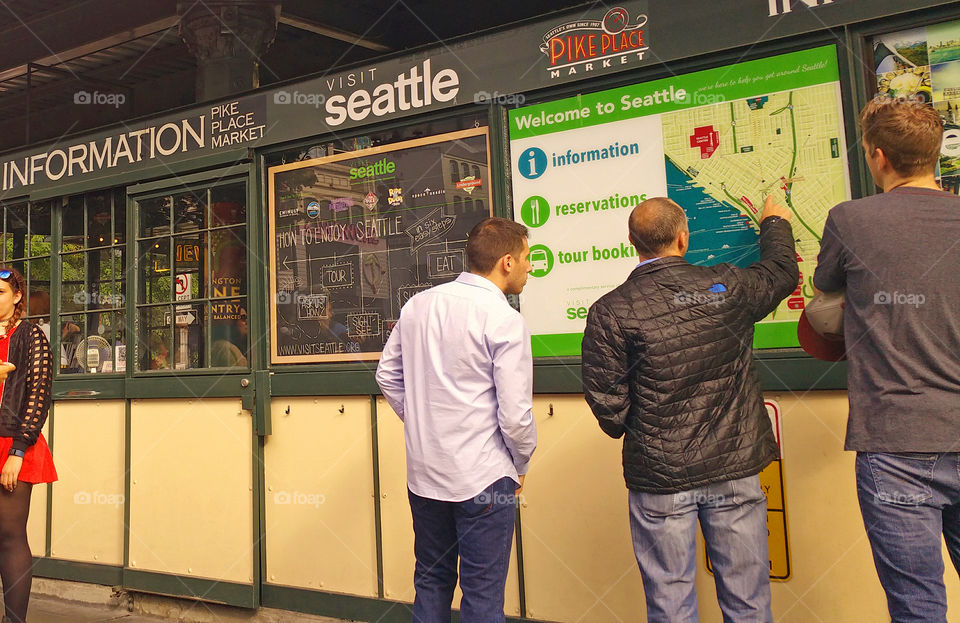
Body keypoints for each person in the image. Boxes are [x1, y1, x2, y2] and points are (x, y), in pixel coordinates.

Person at [581, 196, 797, 623]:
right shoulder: (727, 287)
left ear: (631, 243)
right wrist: (773, 222)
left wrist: (645, 429)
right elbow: (781, 273)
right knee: (748, 601)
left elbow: (607, 405)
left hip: (659, 479)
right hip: (734, 471)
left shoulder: (611, 310)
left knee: (669, 603)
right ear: (684, 238)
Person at [813, 96, 960, 623]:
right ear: (935, 153)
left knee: (917, 606)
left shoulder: (850, 220)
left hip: (896, 445)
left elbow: (824, 299)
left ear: (877, 156)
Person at [375, 217, 537, 623]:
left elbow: (386, 375)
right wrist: (520, 464)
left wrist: (421, 424)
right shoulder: (505, 320)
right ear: (506, 262)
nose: (529, 267)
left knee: (431, 581)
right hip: (484, 477)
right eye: (526, 258)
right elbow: (515, 416)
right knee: (482, 595)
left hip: (425, 476)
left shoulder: (418, 305)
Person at [0, 267, 57, 623]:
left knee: (9, 534)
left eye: (1, 292)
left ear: (17, 297)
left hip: (12, 442)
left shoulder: (31, 336)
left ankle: (14, 621)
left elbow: (39, 396)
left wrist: (17, 452)